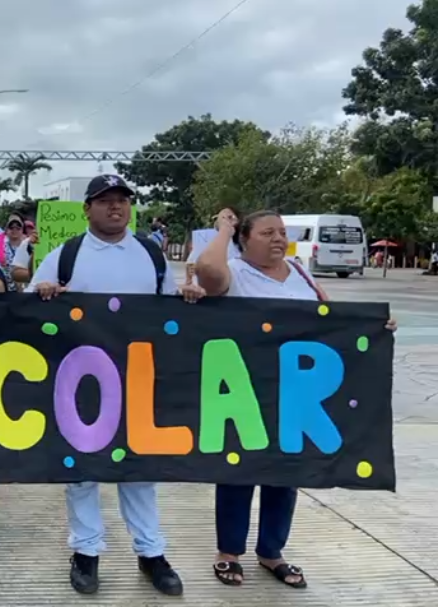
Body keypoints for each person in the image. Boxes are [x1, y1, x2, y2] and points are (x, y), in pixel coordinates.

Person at [195, 208, 397, 589]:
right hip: (245, 391)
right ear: (245, 240)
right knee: (238, 470)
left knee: (287, 472)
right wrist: (223, 230)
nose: (277, 238)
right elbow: (207, 270)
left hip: (296, 394)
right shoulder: (234, 273)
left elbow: (330, 318)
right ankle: (229, 553)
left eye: (281, 232)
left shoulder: (300, 272)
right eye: (267, 232)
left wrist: (374, 326)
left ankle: (272, 552)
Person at [27, 174, 204, 597]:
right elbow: (28, 303)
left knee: (140, 468)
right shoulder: (66, 255)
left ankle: (151, 553)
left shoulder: (149, 252)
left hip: (138, 377)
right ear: (87, 208)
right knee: (82, 471)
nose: (115, 208)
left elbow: (167, 309)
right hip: (80, 381)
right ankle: (86, 553)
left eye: (122, 200)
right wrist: (43, 291)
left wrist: (188, 297)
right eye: (104, 201)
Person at [186, 207, 241, 287]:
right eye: (219, 217)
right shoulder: (204, 239)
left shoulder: (241, 243)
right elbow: (190, 263)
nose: (224, 221)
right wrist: (189, 280)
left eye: (229, 217)